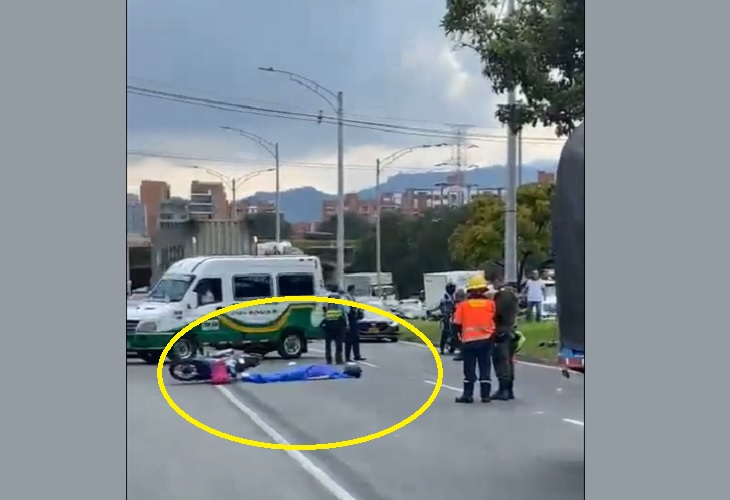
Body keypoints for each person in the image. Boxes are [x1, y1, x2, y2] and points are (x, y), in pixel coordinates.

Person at [451, 275, 496, 403]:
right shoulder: (490, 304)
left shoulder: (463, 305)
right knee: (485, 367)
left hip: (469, 341)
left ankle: (468, 395)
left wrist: (457, 341)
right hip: (486, 339)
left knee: (469, 368)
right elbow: (495, 320)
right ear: (483, 290)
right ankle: (485, 395)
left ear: (470, 291)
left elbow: (456, 324)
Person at [489, 277, 520, 400]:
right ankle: (509, 389)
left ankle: (504, 390)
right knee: (509, 361)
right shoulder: (512, 295)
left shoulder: (502, 296)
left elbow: (497, 313)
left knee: (501, 361)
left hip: (502, 331)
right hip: (511, 330)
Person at [241, 362, 363, 383]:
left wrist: (307, 378)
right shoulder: (338, 375)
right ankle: (250, 377)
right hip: (308, 369)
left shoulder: (335, 376)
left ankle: (250, 378)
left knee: (280, 376)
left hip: (306, 372)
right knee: (281, 375)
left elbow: (321, 377)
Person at [320, 293, 348, 364]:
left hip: (329, 326)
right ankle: (338, 359)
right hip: (338, 326)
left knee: (328, 344)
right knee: (338, 344)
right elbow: (346, 312)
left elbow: (323, 315)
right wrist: (346, 325)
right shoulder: (340, 304)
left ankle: (328, 359)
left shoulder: (326, 305)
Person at [344, 285, 366, 362]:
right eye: (354, 290)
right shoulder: (346, 298)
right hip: (350, 320)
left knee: (356, 338)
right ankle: (347, 357)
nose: (354, 292)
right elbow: (346, 311)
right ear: (351, 290)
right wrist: (347, 323)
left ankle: (357, 355)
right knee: (349, 340)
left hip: (354, 320)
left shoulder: (352, 298)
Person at [437, 282, 458, 355]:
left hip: (454, 315)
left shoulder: (454, 296)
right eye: (452, 288)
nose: (453, 289)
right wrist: (445, 313)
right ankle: (442, 348)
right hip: (447, 315)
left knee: (455, 330)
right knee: (446, 331)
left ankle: (453, 346)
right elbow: (443, 306)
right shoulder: (445, 297)